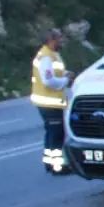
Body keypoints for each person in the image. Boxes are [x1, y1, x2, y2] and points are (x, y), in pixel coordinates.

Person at [31, 28, 75, 175]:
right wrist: (65, 80)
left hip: (47, 102)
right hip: (49, 103)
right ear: (51, 40)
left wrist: (64, 74)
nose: (62, 41)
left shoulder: (51, 55)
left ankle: (49, 163)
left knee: (51, 133)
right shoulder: (46, 57)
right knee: (57, 134)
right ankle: (58, 166)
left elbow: (53, 73)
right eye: (59, 39)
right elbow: (48, 80)